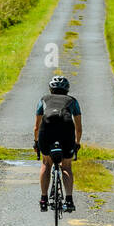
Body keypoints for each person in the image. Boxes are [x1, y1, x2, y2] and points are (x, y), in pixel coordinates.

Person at [34, 75, 81, 212]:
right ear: (67, 89)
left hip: (46, 130)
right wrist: (77, 143)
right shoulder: (72, 101)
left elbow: (37, 127)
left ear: (50, 89)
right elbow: (78, 127)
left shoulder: (43, 100)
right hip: (66, 130)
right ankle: (69, 199)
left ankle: (43, 199)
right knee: (66, 166)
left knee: (46, 163)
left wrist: (36, 142)